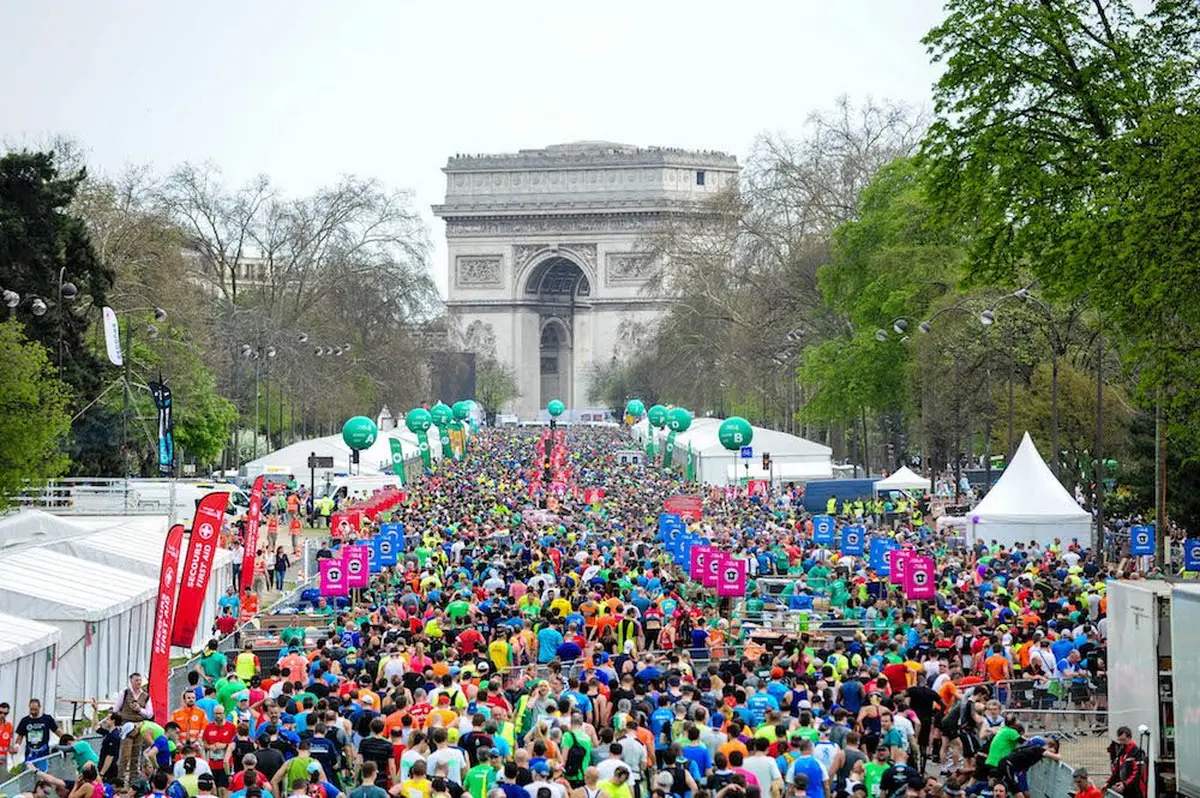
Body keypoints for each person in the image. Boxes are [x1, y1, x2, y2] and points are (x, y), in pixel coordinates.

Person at [15, 698, 59, 769]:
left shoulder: (47, 719)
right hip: (29, 754)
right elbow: (20, 736)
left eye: (35, 709)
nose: (33, 711)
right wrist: (16, 746)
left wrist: (68, 739)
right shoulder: (25, 721)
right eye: (31, 709)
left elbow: (57, 731)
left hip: (43, 755)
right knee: (28, 774)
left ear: (39, 707)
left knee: (42, 775)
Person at [1104, 727, 1147, 798]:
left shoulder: (1138, 752)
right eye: (1120, 740)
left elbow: (1138, 773)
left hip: (1135, 790)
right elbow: (1116, 771)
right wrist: (1108, 783)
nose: (1121, 743)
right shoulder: (1121, 751)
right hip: (1124, 790)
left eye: (1123, 740)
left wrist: (1125, 784)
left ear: (1130, 737)